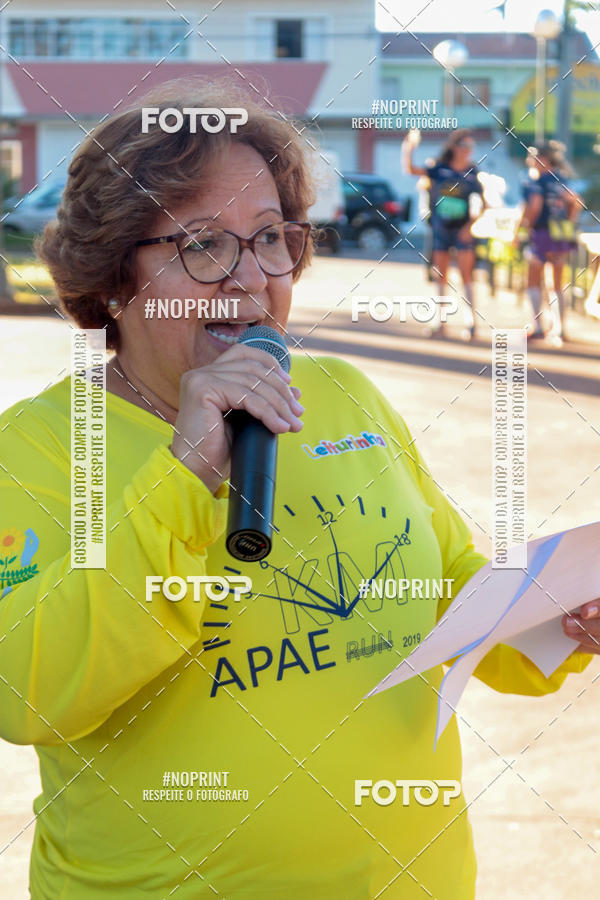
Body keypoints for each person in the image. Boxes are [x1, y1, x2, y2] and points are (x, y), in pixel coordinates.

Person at [0, 79, 597, 900]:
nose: (249, 278)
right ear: (112, 276)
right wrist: (186, 473)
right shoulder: (35, 450)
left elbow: (452, 593)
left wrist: (560, 617)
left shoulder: (345, 394)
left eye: (271, 237)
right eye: (203, 245)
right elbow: (31, 692)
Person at [402, 128, 485, 340]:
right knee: (441, 275)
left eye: (471, 147)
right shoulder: (438, 168)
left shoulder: (472, 171)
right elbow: (411, 169)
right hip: (441, 228)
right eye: (464, 146)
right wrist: (409, 147)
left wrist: (470, 226)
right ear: (455, 147)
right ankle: (440, 321)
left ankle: (471, 322)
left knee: (467, 274)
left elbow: (481, 203)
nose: (468, 150)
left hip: (462, 230)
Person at [515, 141, 583, 344]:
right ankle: (560, 328)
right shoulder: (562, 179)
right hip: (560, 234)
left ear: (543, 159)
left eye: (533, 157)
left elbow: (534, 206)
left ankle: (537, 326)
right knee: (557, 282)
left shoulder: (536, 181)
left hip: (542, 233)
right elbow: (576, 203)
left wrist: (522, 228)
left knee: (534, 278)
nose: (530, 161)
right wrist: (568, 222)